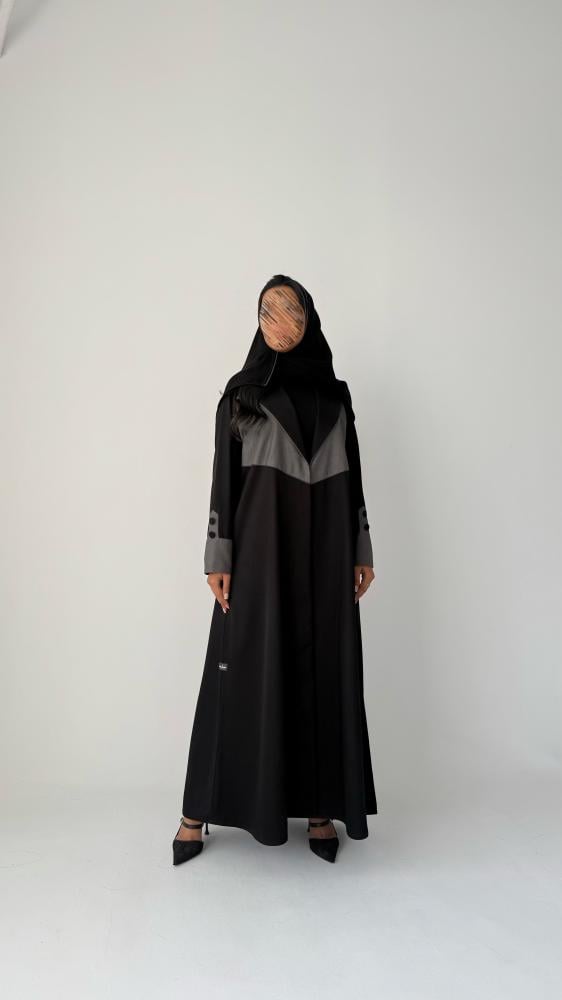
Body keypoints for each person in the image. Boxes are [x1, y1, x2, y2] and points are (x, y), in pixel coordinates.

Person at [173, 274, 377, 865]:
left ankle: (319, 806)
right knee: (238, 672)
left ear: (308, 318)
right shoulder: (242, 397)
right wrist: (219, 556)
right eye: (268, 311)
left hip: (327, 558)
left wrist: (361, 547)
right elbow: (223, 482)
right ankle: (197, 811)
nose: (278, 323)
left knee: (322, 670)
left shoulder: (336, 399)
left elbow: (354, 480)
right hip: (260, 557)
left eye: (289, 311)